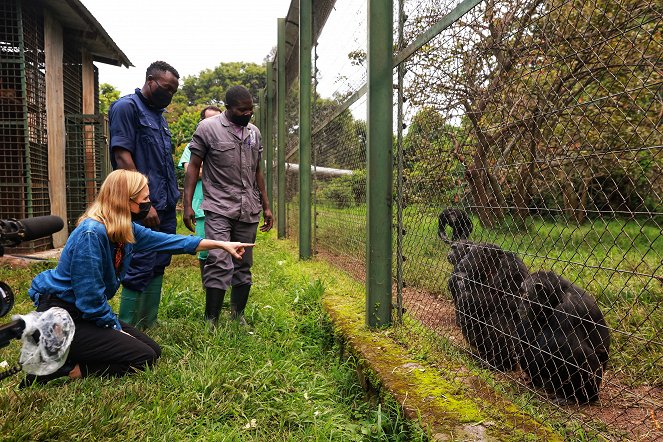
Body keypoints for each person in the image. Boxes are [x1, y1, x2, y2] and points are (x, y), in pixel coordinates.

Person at [22, 170, 253, 386]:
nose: (148, 204)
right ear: (126, 201)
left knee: (153, 351)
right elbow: (90, 300)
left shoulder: (122, 229)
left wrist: (222, 244)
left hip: (82, 315)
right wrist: (114, 327)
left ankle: (71, 360)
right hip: (62, 317)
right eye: (144, 198)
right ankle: (62, 366)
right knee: (143, 357)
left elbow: (170, 242)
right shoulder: (91, 234)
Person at [183, 85, 273, 325]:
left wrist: (266, 205)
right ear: (229, 108)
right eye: (242, 110)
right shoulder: (208, 128)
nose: (247, 114)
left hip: (248, 208)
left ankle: (238, 315)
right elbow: (193, 167)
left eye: (251, 110)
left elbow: (258, 171)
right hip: (218, 207)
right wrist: (187, 204)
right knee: (219, 261)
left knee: (243, 263)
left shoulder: (254, 132)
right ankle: (211, 319)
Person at [108, 60, 181, 329]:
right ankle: (127, 327)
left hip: (165, 203)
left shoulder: (159, 117)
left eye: (174, 91)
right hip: (142, 204)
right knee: (139, 262)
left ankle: (149, 323)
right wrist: (143, 202)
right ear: (150, 81)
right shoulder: (126, 107)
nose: (170, 95)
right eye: (166, 88)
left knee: (160, 261)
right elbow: (122, 155)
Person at [177, 106, 222, 282]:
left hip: (226, 204)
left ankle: (224, 284)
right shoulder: (192, 146)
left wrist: (204, 167)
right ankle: (208, 286)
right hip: (202, 205)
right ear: (201, 122)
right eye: (208, 120)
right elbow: (191, 172)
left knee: (226, 248)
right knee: (204, 250)